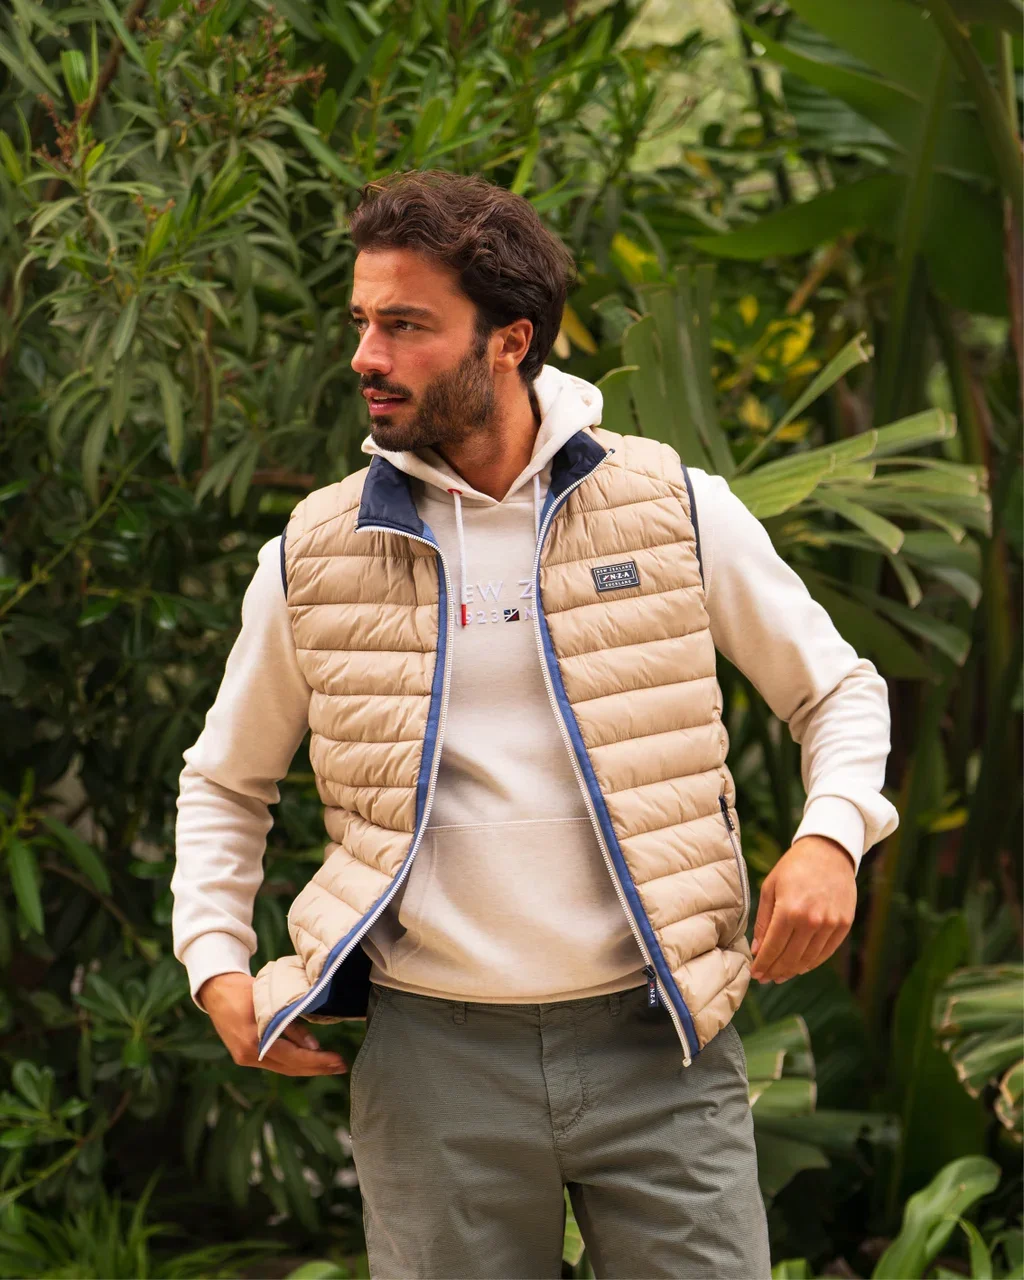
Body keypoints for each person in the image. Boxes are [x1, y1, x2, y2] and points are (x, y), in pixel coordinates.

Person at [170, 170, 899, 1280]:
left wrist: (830, 837)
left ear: (510, 341)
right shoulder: (314, 553)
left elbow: (837, 689)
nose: (366, 354)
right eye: (362, 321)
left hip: (659, 1042)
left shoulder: (671, 506)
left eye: (405, 325)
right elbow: (228, 779)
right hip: (433, 1064)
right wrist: (215, 961)